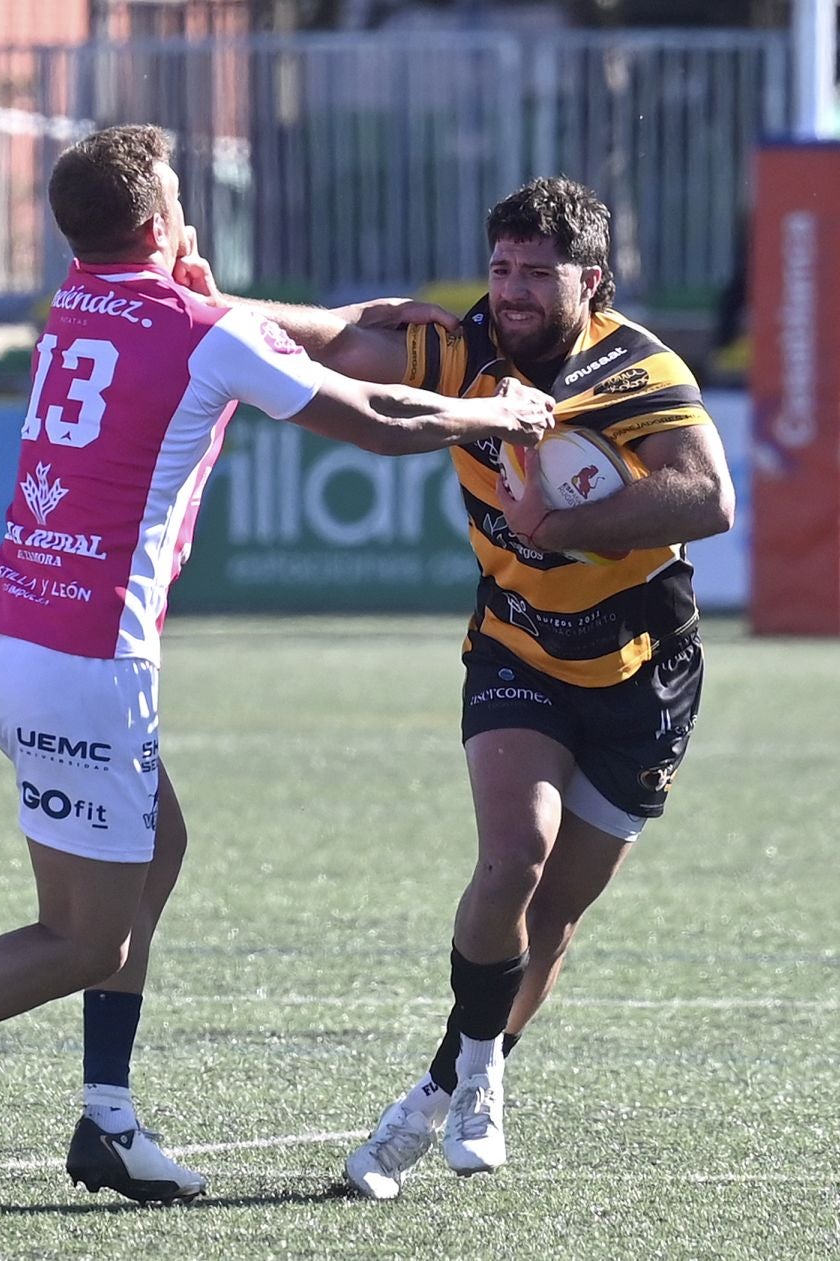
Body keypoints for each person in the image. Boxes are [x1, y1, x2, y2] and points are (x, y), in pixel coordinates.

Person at [0, 125, 555, 1204]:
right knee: (82, 941)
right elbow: (377, 420)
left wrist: (339, 321)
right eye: (181, 201)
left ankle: (108, 1118)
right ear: (158, 224)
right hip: (86, 659)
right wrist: (496, 411)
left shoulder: (77, 294)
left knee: (161, 843)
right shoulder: (202, 331)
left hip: (10, 637)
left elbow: (216, 316)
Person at [186, 175, 736, 1199]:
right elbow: (308, 344)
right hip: (518, 648)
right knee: (513, 859)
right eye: (502, 268)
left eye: (537, 274)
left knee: (560, 910)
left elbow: (709, 494)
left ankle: (444, 1083)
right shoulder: (458, 346)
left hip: (646, 668)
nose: (513, 292)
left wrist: (557, 527)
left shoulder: (637, 369)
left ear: (593, 283)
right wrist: (212, 300)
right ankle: (480, 1076)